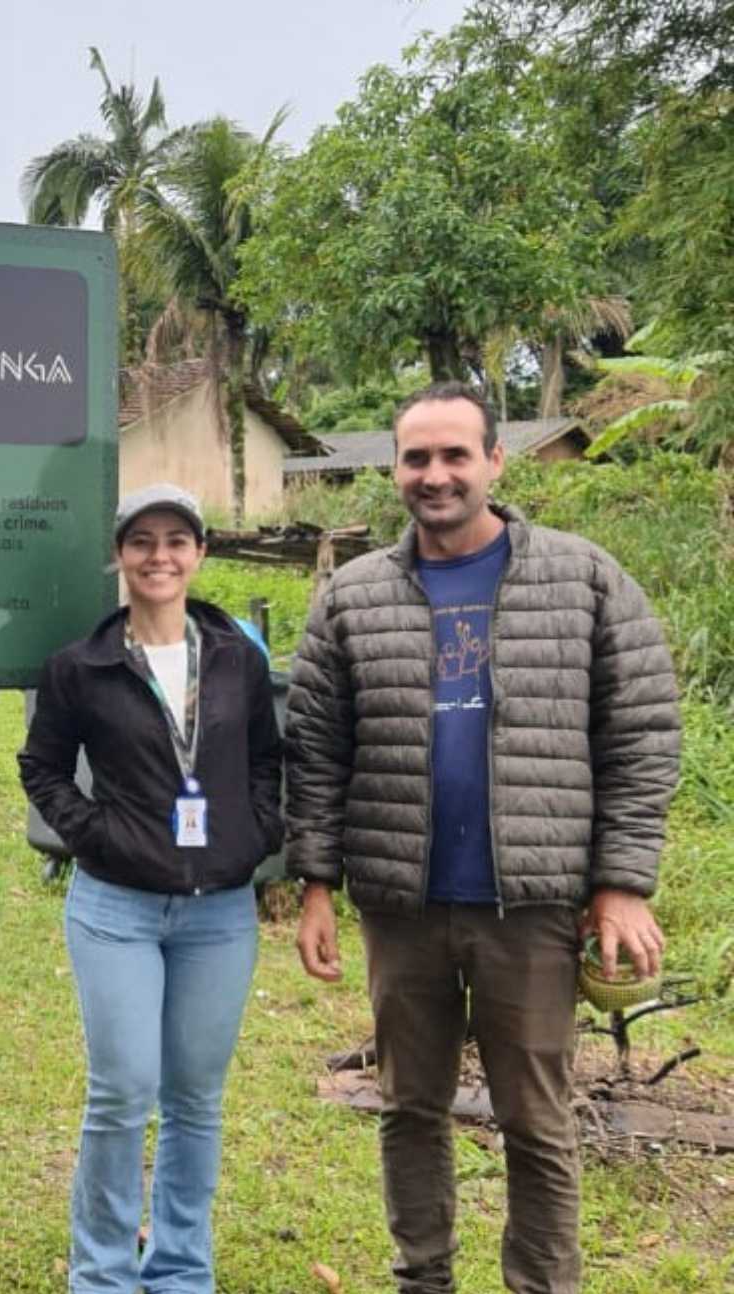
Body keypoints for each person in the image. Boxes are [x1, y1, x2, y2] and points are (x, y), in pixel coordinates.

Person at [286, 382, 680, 1293]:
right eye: (417, 458)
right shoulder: (353, 596)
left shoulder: (582, 579)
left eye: (455, 455)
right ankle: (423, 1279)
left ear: (496, 461)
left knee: (536, 1121)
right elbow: (314, 749)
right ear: (395, 469)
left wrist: (621, 882)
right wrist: (314, 882)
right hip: (404, 902)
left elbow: (643, 728)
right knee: (409, 1109)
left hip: (533, 905)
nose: (435, 475)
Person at [18, 482, 283, 1294]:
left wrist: (256, 832)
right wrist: (96, 834)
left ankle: (178, 1268)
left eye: (176, 540)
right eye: (142, 541)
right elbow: (43, 767)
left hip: (221, 916)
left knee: (197, 1097)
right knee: (123, 1090)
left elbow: (271, 758)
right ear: (120, 556)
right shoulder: (83, 665)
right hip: (115, 910)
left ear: (200, 554)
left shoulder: (240, 656)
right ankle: (101, 1272)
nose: (158, 556)